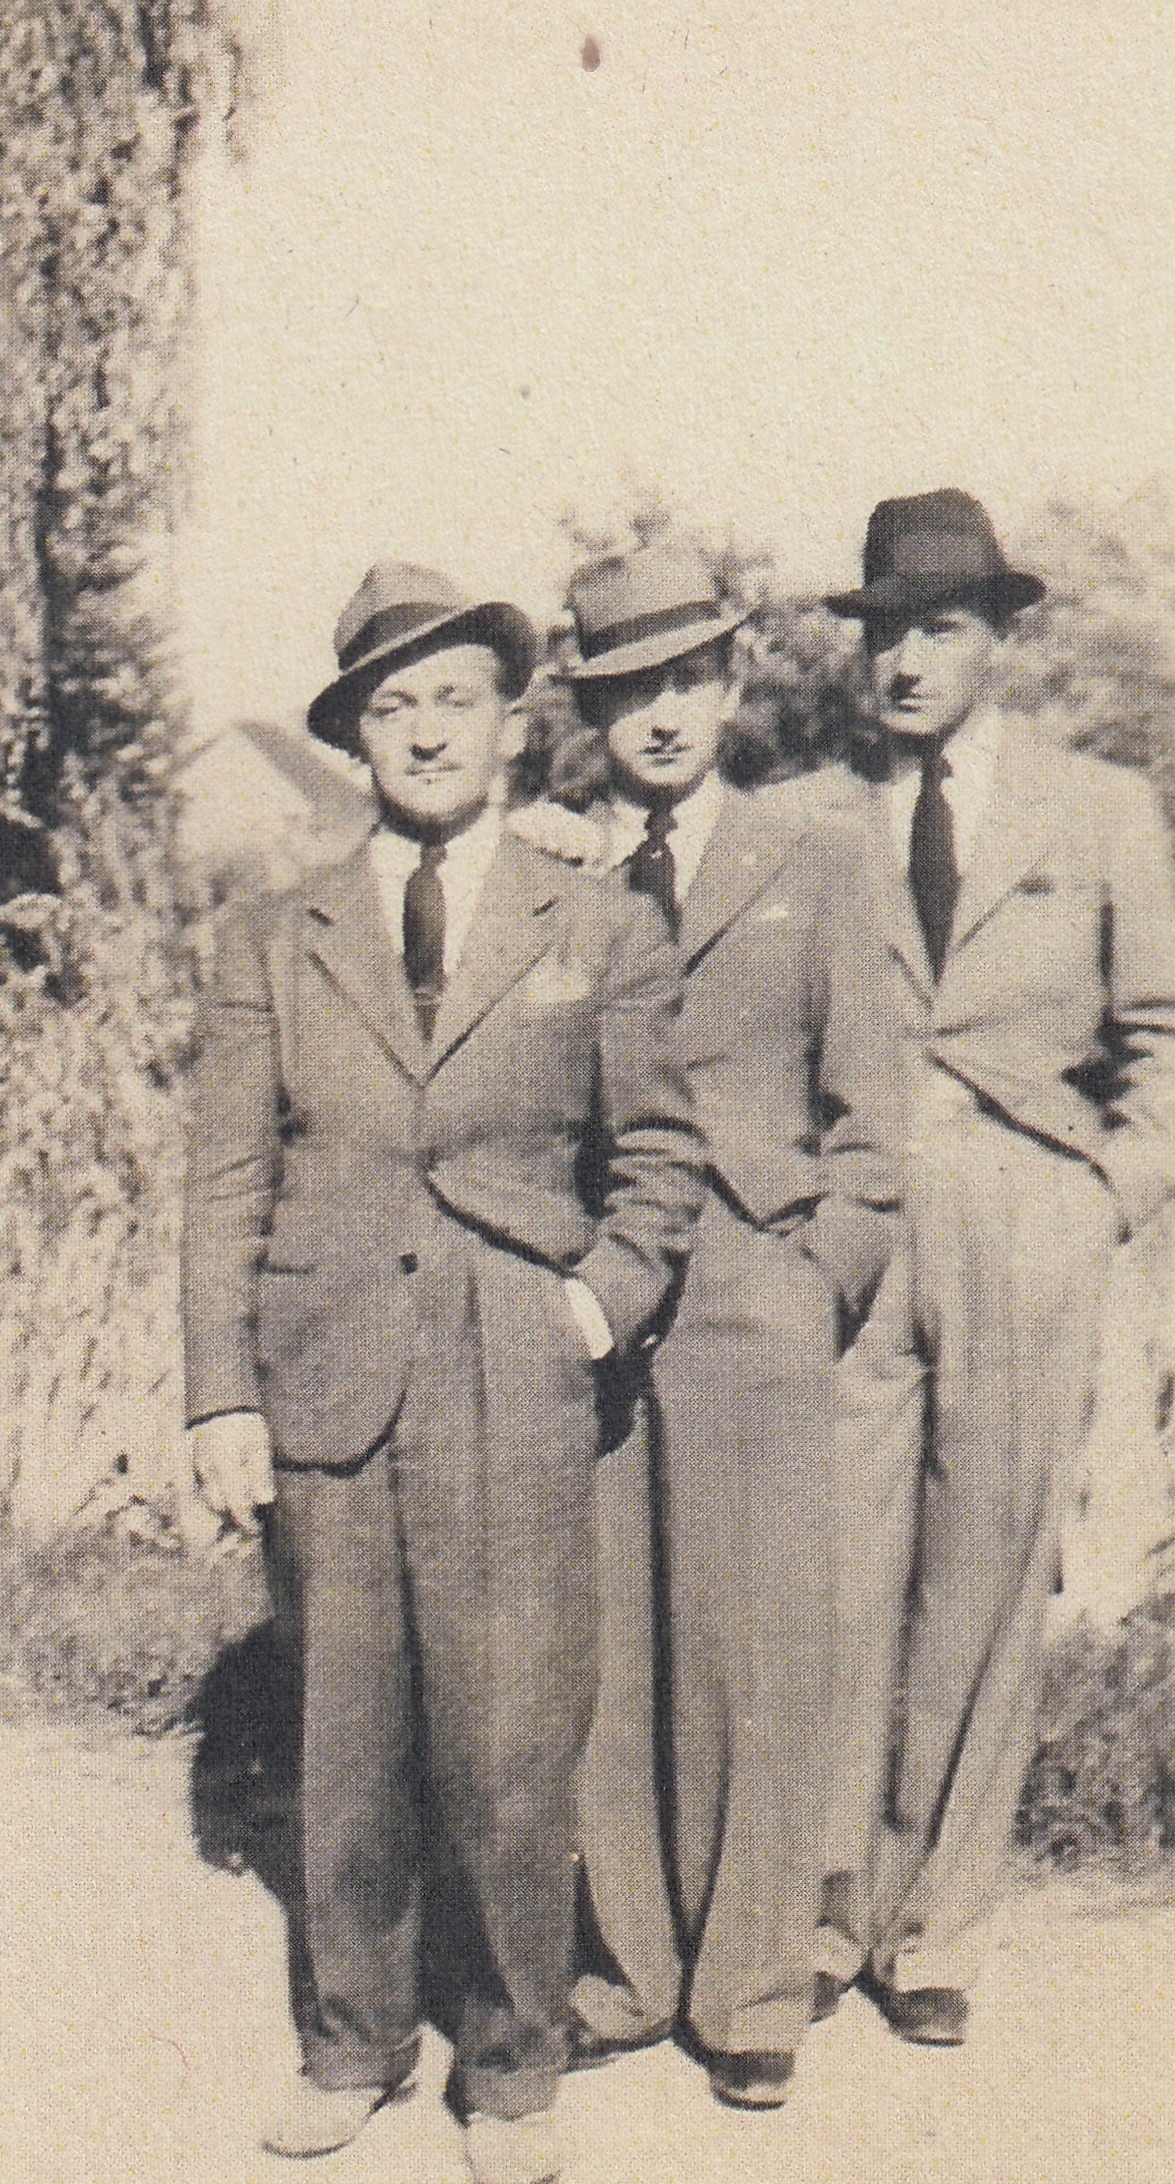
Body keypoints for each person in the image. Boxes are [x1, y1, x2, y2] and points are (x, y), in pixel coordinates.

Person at [180, 561, 703, 2184]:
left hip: (513, 1375)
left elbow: (663, 1162)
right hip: (329, 1372)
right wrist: (220, 1394)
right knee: (344, 1738)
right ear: (353, 737)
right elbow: (225, 1181)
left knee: (509, 1745)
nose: (424, 733)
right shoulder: (275, 935)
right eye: (391, 707)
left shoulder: (598, 921)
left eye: (455, 700)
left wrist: (593, 1312)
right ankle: (351, 2043)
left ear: (512, 721)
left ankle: (512, 2068)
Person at [533, 540, 897, 2111]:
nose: (664, 713)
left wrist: (824, 1277)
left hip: (758, 1287)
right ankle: (626, 1972)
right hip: (606, 1293)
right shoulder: (555, 881)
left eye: (688, 677)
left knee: (762, 1644)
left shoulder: (813, 859)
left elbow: (872, 1116)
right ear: (591, 714)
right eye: (629, 690)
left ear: (733, 680)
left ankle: (752, 1989)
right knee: (611, 1645)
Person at [816, 488, 1175, 2044]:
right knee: (840, 1578)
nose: (907, 661)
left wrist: (1106, 1197)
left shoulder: (1096, 810)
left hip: (1027, 1223)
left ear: (996, 643)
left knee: (983, 1576)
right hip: (853, 1235)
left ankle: (935, 1928)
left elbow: (1165, 1036)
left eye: (941, 629)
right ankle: (825, 1908)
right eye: (885, 631)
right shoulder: (807, 818)